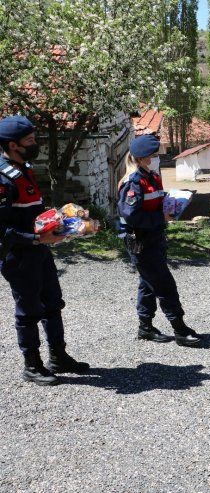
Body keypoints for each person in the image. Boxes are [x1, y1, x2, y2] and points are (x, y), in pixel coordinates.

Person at [0, 115, 89, 386]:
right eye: (30, 141)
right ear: (13, 145)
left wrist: (62, 222)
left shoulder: (22, 168)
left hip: (39, 251)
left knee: (53, 304)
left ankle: (58, 357)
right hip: (19, 255)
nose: (35, 143)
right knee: (28, 311)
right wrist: (36, 240)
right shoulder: (3, 178)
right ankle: (32, 365)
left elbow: (34, 214)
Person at [117, 134, 201, 347]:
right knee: (165, 284)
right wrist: (160, 217)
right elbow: (131, 216)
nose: (157, 158)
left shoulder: (152, 177)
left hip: (155, 236)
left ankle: (145, 327)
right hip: (140, 241)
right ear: (143, 157)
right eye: (154, 155)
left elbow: (156, 202)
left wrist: (177, 202)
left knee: (148, 283)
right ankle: (180, 329)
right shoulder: (133, 182)